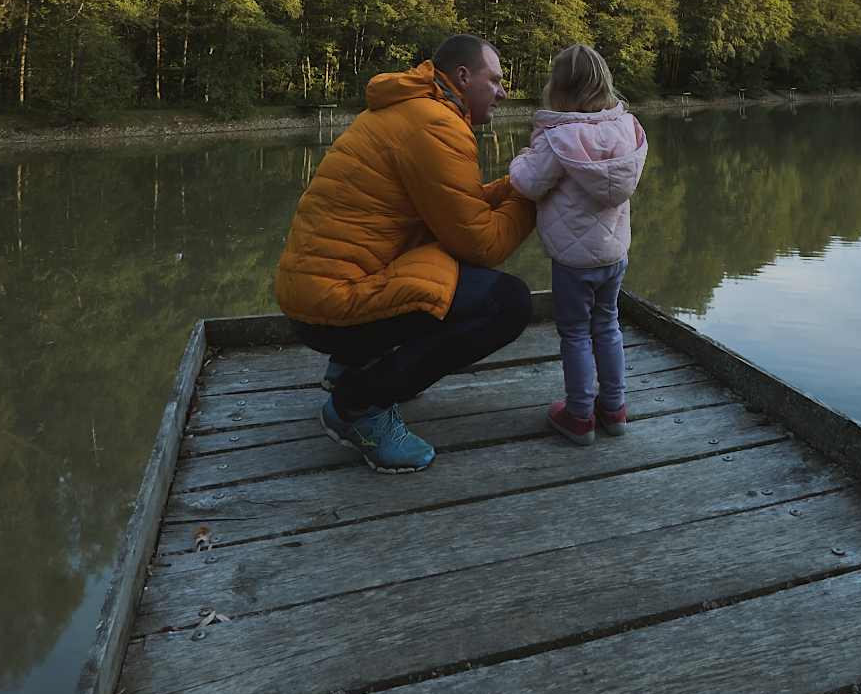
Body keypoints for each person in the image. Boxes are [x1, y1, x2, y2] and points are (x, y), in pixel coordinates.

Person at [275, 35, 535, 472]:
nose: (503, 92)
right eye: (495, 80)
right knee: (508, 303)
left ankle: (354, 365)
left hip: (313, 295)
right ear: (463, 77)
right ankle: (357, 407)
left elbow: (458, 209)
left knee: (446, 264)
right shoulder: (437, 126)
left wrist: (513, 184)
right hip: (331, 307)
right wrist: (534, 194)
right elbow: (483, 244)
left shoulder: (411, 110)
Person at [508, 43, 647, 445]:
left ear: (560, 87)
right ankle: (615, 409)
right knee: (608, 326)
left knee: (574, 333)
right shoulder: (628, 128)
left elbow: (529, 183)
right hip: (614, 254)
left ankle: (580, 415)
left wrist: (520, 157)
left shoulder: (560, 138)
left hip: (572, 262)